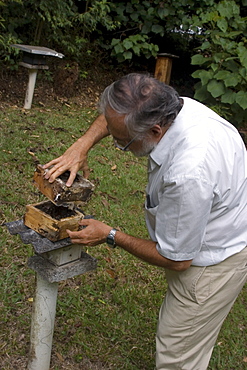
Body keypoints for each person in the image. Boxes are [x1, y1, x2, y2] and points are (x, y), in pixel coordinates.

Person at [43, 73, 247, 370]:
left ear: (154, 131)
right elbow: (117, 112)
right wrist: (82, 145)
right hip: (221, 217)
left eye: (122, 142)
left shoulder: (188, 174)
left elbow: (177, 259)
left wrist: (111, 234)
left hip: (215, 262)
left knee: (177, 354)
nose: (115, 143)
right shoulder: (171, 106)